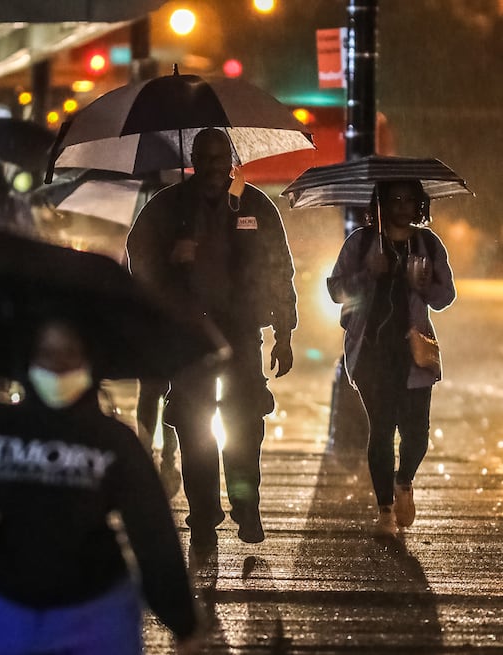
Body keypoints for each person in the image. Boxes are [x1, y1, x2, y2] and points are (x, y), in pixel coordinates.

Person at [0, 314, 200, 655]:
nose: (58, 366)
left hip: (94, 613)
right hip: (1, 608)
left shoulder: (114, 439)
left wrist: (181, 619)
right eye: (47, 353)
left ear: (91, 359)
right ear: (28, 357)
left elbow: (153, 532)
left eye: (70, 354)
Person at [126, 128, 297, 551]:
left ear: (233, 161)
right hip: (187, 333)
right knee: (192, 424)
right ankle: (203, 515)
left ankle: (246, 502)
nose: (215, 168)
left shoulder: (255, 205)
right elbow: (138, 255)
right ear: (194, 161)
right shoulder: (167, 208)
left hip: (241, 331)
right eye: (206, 159)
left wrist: (284, 330)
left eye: (222, 160)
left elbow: (279, 268)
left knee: (245, 423)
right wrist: (171, 260)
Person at [327, 179, 456, 536]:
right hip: (371, 353)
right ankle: (384, 509)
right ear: (380, 203)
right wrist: (370, 272)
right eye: (393, 198)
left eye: (408, 199)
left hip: (414, 352)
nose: (401, 205)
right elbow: (336, 290)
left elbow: (445, 296)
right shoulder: (362, 242)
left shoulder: (427, 244)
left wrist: (423, 283)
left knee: (417, 435)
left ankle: (404, 481)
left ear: (419, 205)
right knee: (381, 431)